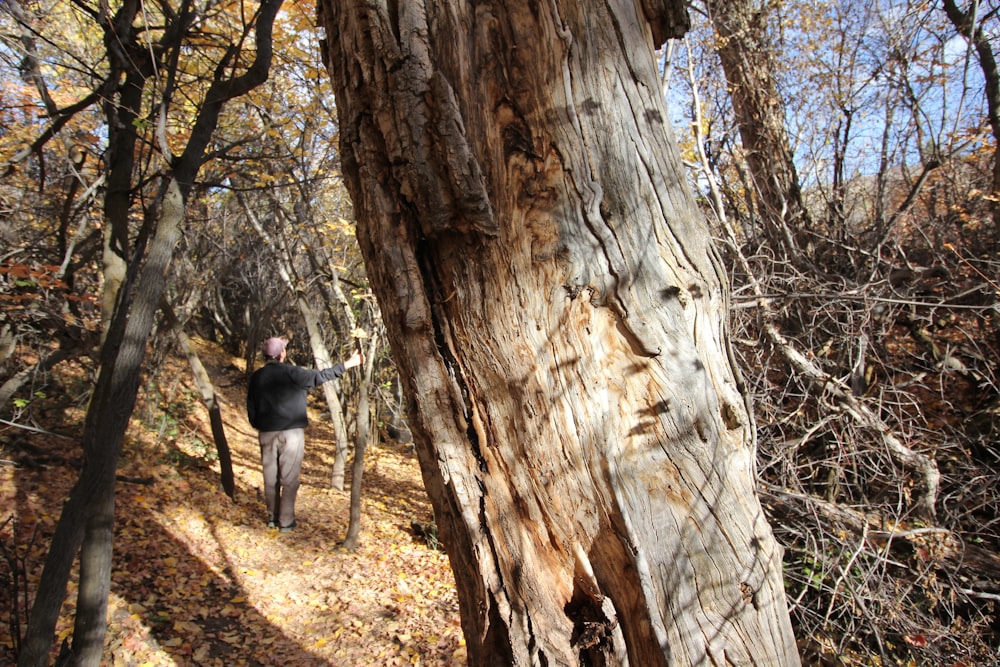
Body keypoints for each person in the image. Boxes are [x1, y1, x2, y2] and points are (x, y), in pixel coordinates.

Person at [246, 336, 363, 532]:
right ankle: (286, 521)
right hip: (292, 434)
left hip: (266, 433)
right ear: (282, 354)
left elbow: (251, 407)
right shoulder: (293, 373)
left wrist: (259, 425)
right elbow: (322, 376)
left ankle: (273, 518)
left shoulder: (257, 377)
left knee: (270, 478)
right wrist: (349, 364)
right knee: (289, 479)